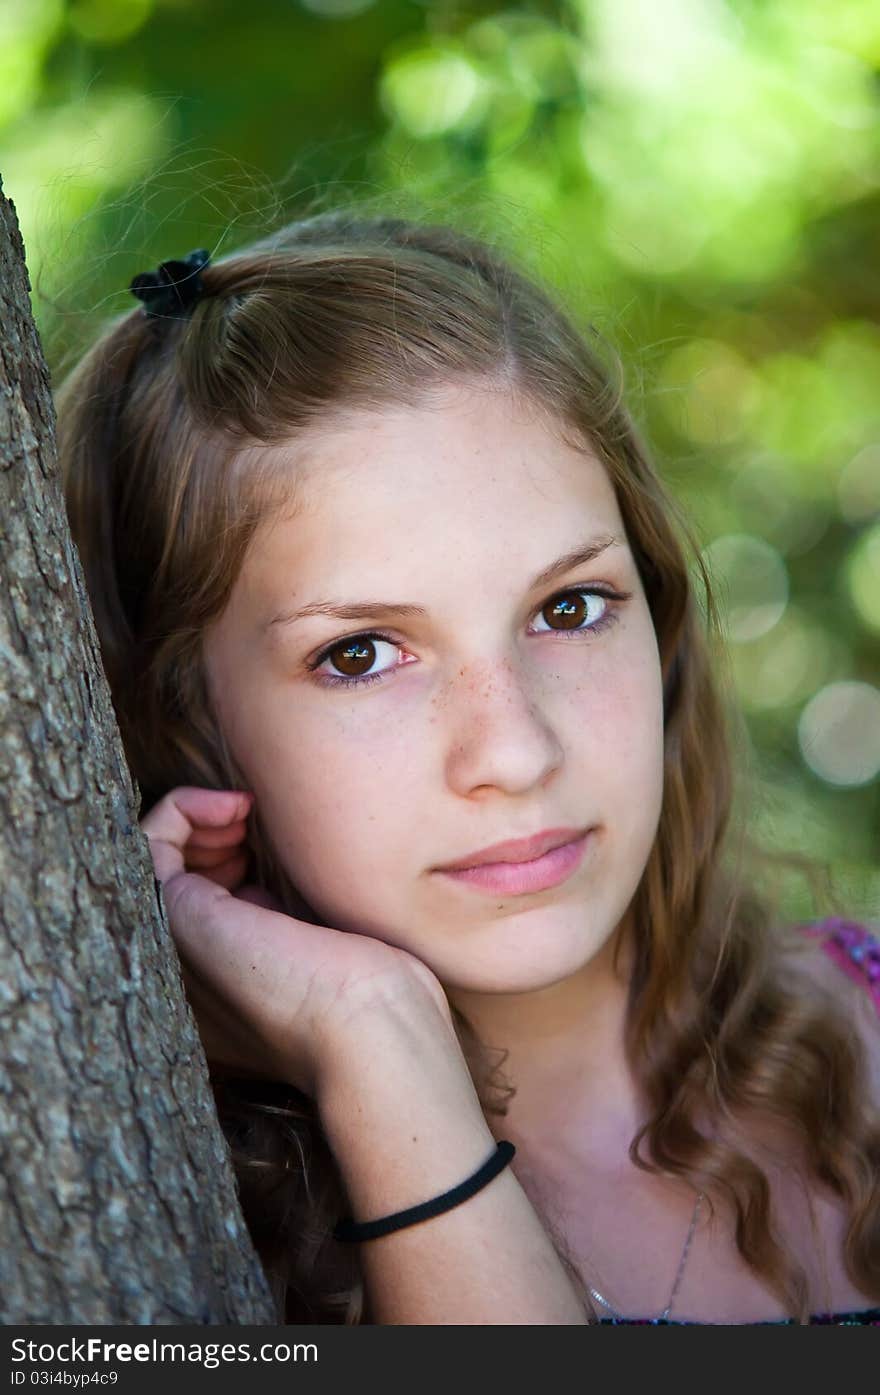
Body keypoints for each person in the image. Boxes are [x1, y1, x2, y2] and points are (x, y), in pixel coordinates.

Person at [55, 210, 880, 1325]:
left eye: (569, 607)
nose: (515, 751)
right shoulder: (155, 1247)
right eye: (359, 655)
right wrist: (376, 1047)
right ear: (188, 718)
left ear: (660, 614)